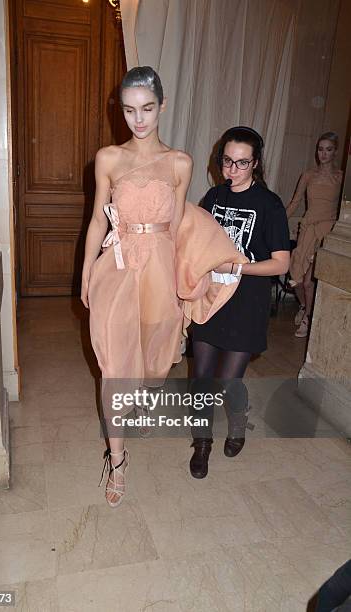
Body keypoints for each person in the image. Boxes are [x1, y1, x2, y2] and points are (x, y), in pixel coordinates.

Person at [81, 67, 246, 507]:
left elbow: (176, 229)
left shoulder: (180, 162)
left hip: (158, 272)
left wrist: (188, 279)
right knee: (114, 365)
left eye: (148, 109)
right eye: (130, 110)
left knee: (154, 361)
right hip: (116, 268)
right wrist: (84, 271)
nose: (139, 120)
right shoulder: (108, 158)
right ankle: (117, 460)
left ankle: (141, 395)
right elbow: (99, 218)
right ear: (122, 109)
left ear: (162, 107)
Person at [189, 126, 291, 479]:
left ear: (256, 163)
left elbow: (281, 263)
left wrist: (236, 265)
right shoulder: (213, 197)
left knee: (228, 381)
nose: (232, 170)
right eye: (227, 161)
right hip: (210, 299)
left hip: (247, 303)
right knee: (201, 378)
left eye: (241, 163)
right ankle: (202, 444)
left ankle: (237, 417)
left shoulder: (270, 204)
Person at [286, 132, 343, 338]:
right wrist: (277, 221)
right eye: (320, 149)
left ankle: (308, 319)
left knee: (310, 281)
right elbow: (295, 202)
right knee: (298, 281)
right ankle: (303, 306)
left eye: (328, 149)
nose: (324, 154)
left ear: (335, 151)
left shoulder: (341, 177)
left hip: (328, 232)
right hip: (308, 230)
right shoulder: (308, 175)